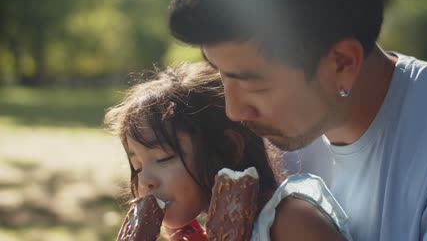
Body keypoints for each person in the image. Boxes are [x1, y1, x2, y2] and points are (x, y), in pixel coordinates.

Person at [167, 0, 427, 240]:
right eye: (220, 73)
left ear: (342, 63)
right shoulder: (261, 146)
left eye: (254, 85)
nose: (234, 111)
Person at [104, 62, 352, 241]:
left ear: (229, 148)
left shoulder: (288, 221)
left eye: (163, 158)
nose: (145, 181)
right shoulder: (211, 232)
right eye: (137, 167)